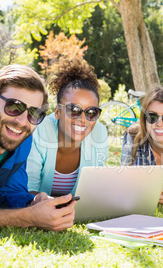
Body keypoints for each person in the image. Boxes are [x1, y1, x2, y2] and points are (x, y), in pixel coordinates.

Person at [0, 65, 76, 230]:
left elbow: (10, 192)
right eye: (14, 107)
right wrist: (27, 217)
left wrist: (34, 203)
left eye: (34, 114)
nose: (23, 122)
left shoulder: (20, 139)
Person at [27, 58, 108, 196]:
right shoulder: (40, 131)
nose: (83, 120)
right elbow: (27, 191)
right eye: (74, 110)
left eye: (91, 112)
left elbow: (96, 190)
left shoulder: (99, 133)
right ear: (58, 112)